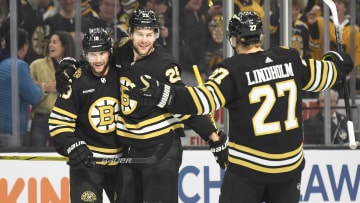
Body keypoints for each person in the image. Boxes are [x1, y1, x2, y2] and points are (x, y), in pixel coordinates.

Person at [128, 11, 354, 202]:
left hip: (249, 171)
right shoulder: (290, 58)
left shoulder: (232, 70)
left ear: (234, 39)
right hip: (289, 169)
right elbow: (330, 74)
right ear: (260, 35)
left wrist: (165, 94)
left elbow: (200, 101)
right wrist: (339, 61)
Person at [55, 8, 226, 203]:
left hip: (160, 148)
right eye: (139, 34)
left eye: (149, 34)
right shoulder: (121, 50)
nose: (144, 40)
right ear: (130, 34)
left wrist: (214, 138)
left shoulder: (164, 65)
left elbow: (182, 104)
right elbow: (96, 57)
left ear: (156, 35)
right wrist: (70, 65)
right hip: (130, 150)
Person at [48, 27, 123, 202]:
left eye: (102, 53)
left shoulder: (123, 74)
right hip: (87, 165)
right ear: (84, 54)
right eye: (92, 54)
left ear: (110, 52)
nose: (97, 60)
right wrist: (73, 146)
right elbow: (58, 124)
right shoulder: (75, 80)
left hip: (121, 165)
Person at [29, 31, 75, 147]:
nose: (50, 45)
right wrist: (46, 87)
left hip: (64, 120)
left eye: (54, 42)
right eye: (50, 42)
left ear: (64, 46)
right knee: (36, 157)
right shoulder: (36, 65)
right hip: (40, 118)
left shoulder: (74, 68)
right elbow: (28, 88)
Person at [0, 28, 42, 147]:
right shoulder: (18, 65)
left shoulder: (3, 62)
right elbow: (33, 96)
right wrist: (39, 86)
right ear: (25, 46)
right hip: (9, 131)